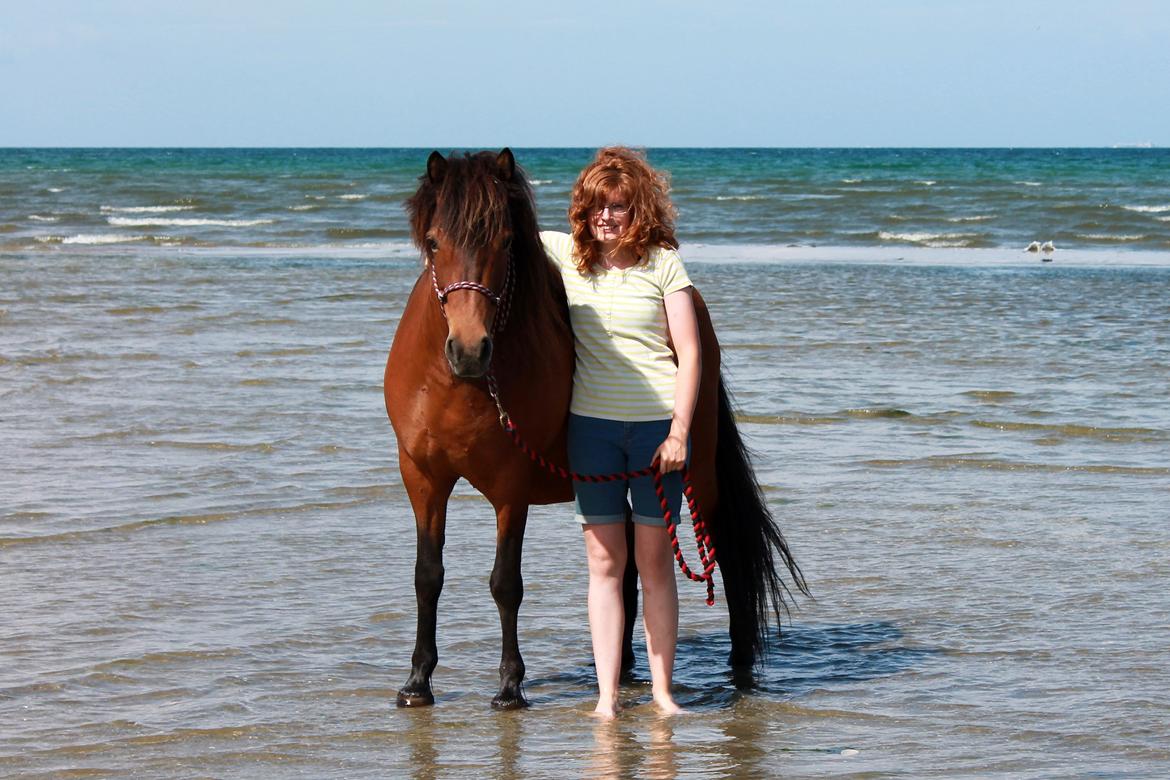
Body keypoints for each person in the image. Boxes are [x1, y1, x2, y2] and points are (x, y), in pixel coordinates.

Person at [540, 147, 700, 718]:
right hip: (592, 433)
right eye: (595, 208)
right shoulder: (567, 257)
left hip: (657, 434)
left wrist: (679, 432)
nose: (606, 218)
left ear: (641, 211)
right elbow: (499, 229)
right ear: (580, 213)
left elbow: (690, 353)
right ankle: (607, 698)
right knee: (604, 566)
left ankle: (661, 693)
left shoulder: (663, 265)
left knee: (654, 565)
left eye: (620, 208)